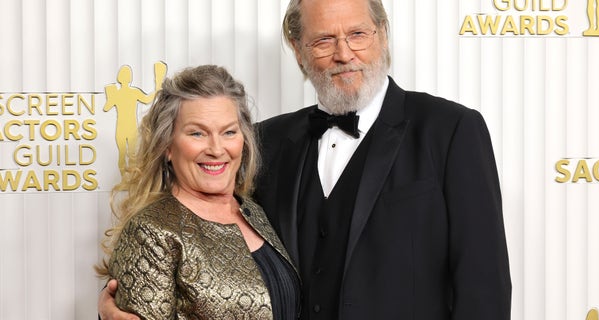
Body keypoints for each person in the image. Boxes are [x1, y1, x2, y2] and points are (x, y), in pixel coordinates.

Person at [99, 0, 512, 319]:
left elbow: (484, 288)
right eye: (323, 40)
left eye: (358, 34)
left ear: (383, 35)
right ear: (298, 50)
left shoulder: (451, 130)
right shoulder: (268, 141)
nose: (344, 54)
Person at [95, 65, 300, 320]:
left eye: (228, 132)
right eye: (197, 133)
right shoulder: (150, 232)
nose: (216, 148)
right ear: (168, 146)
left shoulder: (254, 211)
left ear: (243, 140)